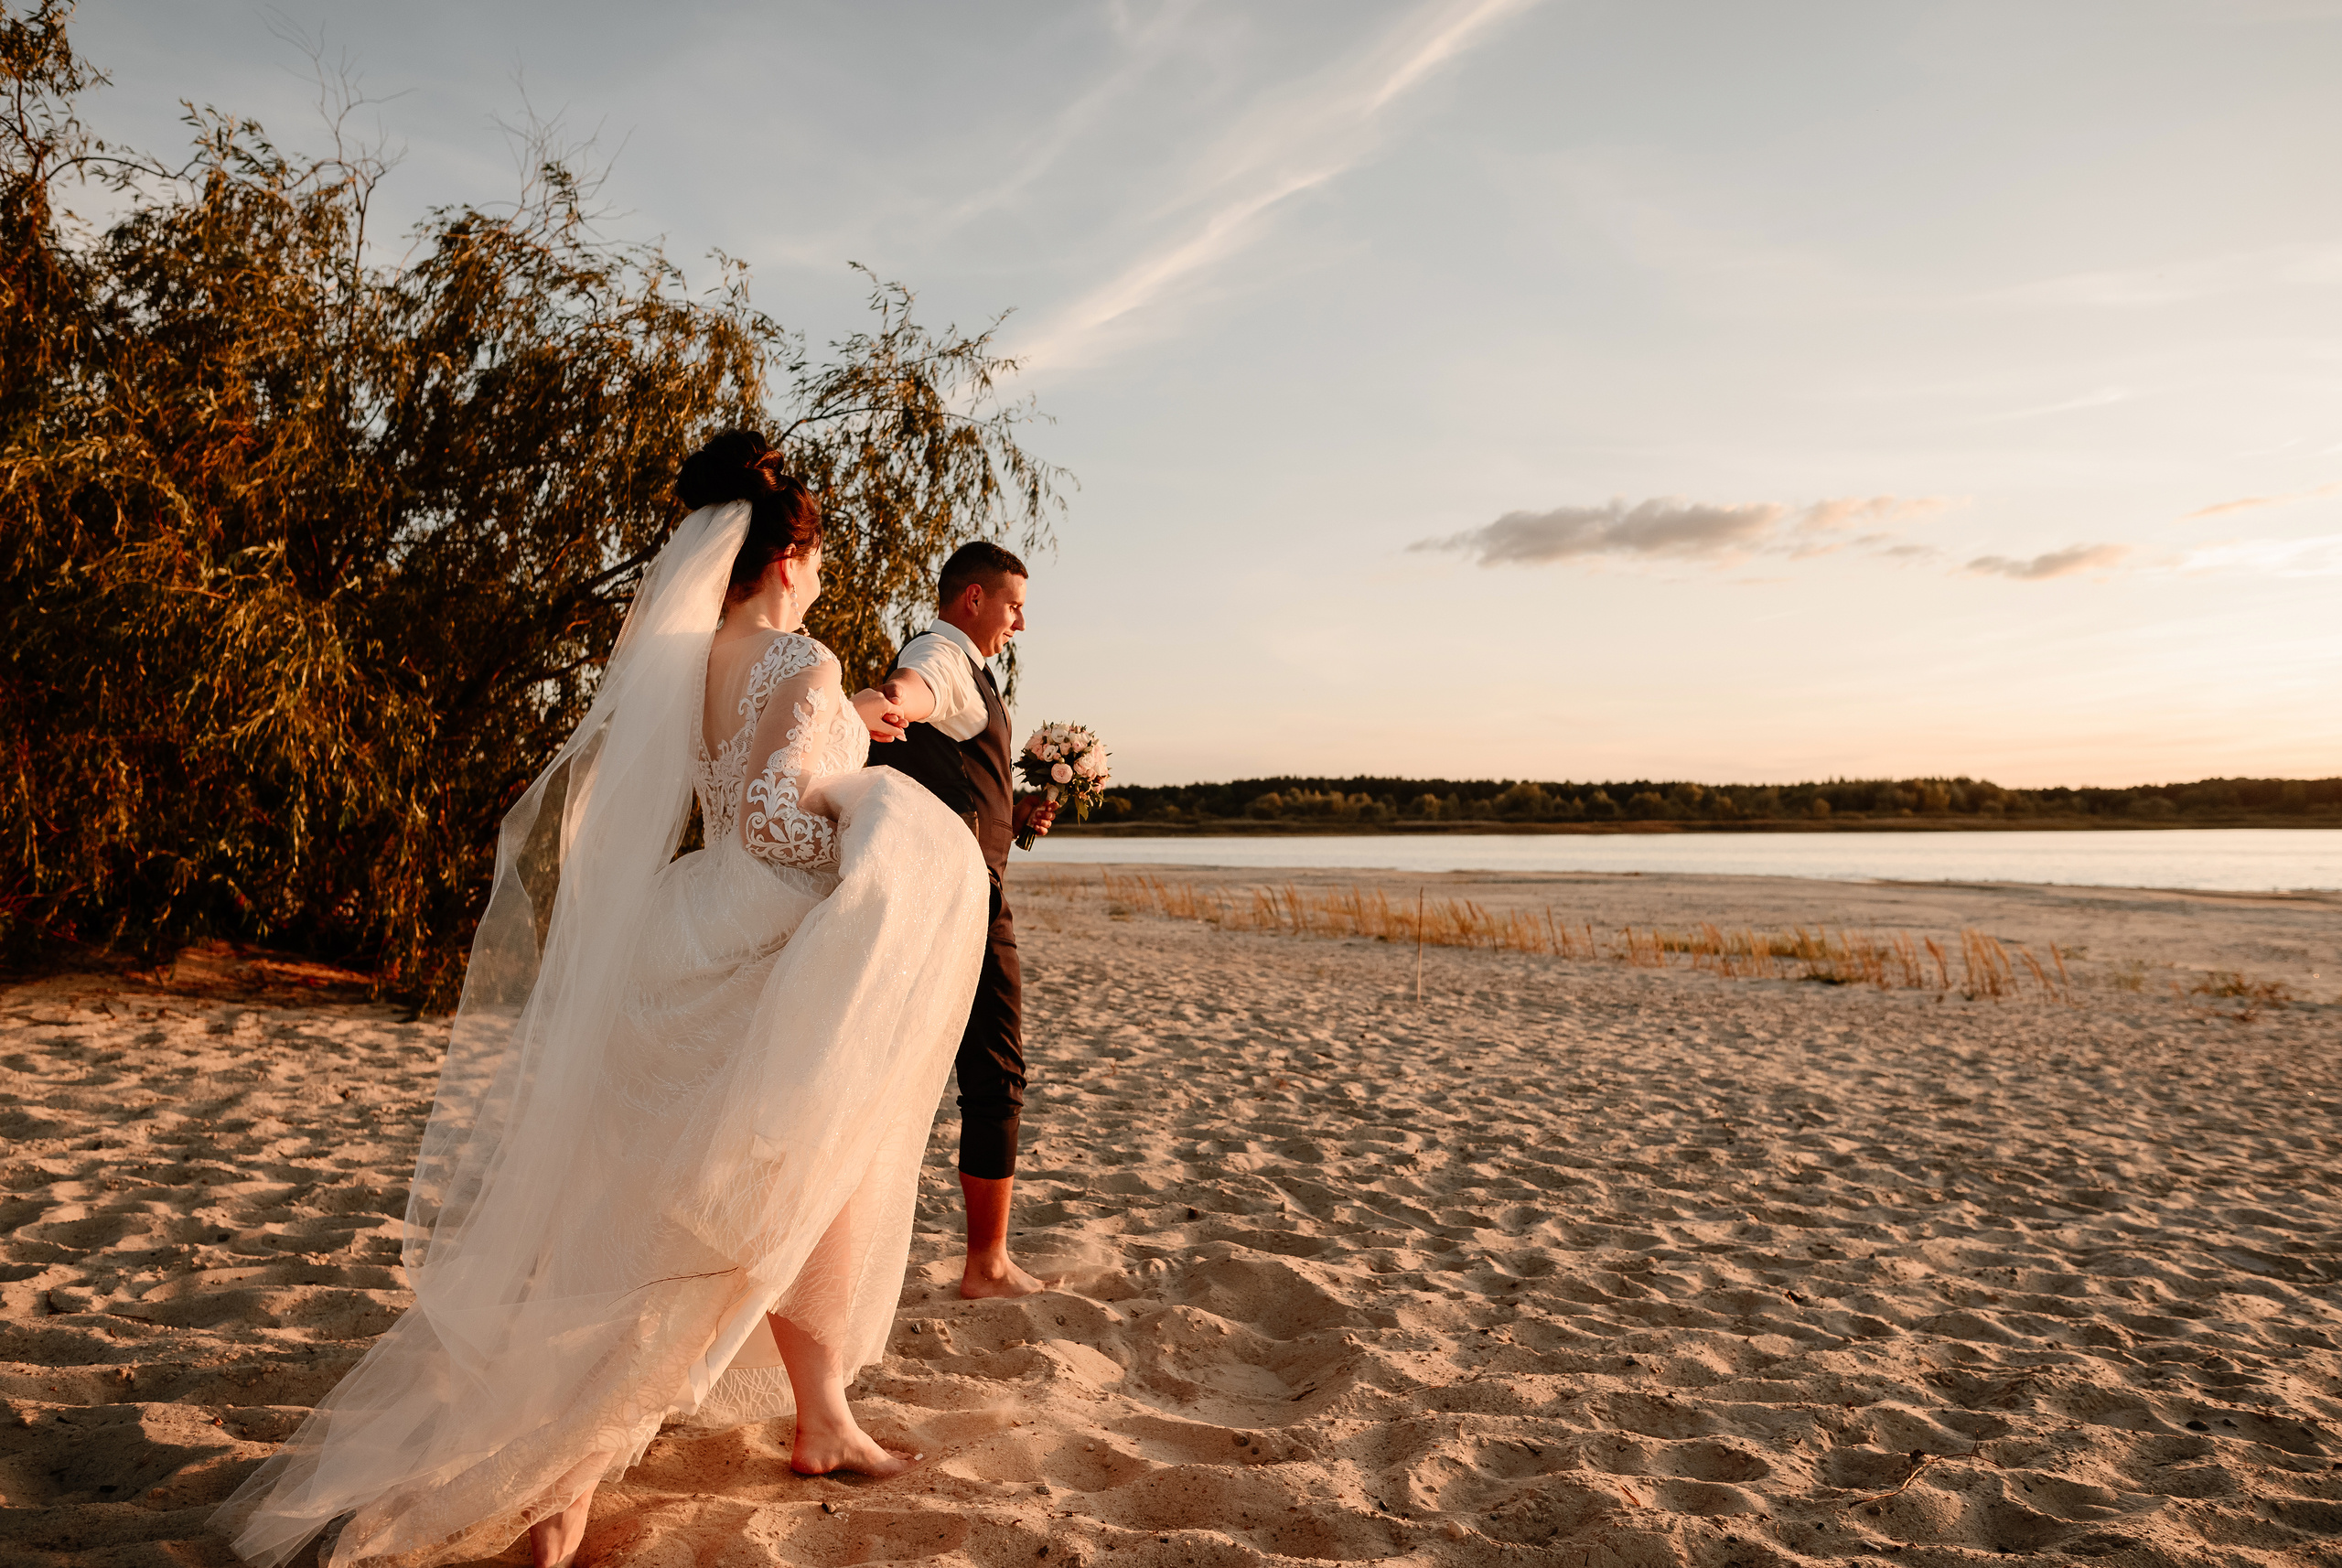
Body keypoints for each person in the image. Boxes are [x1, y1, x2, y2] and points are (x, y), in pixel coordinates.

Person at [213, 432, 990, 1568]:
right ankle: (564, 1488)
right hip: (764, 929)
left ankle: (821, 1414)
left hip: (689, 920)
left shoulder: (690, 660)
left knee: (776, 1179)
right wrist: (867, 800)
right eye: (818, 562)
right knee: (740, 1199)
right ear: (786, 561)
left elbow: (732, 790)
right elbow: (780, 822)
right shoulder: (804, 660)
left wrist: (837, 741)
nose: (821, 581)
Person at [856, 542, 1054, 1299]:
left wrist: (1018, 814)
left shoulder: (970, 670)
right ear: (972, 599)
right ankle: (987, 1266)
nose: (1021, 623)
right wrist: (885, 706)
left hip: (957, 885)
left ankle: (986, 1261)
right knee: (996, 1067)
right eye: (1013, 606)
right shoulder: (942, 654)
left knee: (970, 1066)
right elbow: (911, 691)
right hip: (964, 901)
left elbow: (961, 786)